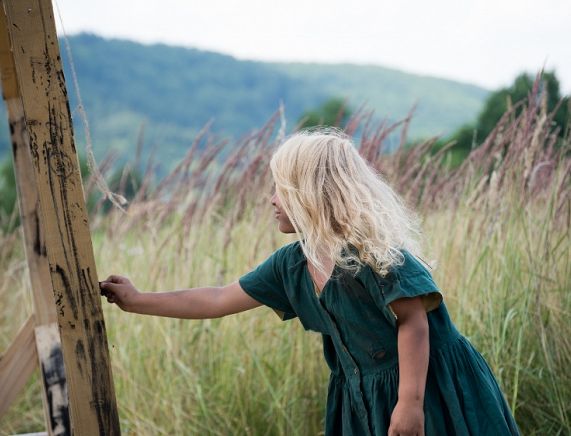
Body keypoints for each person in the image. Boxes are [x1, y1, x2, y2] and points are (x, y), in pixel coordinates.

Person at [100, 130, 521, 436]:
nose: (271, 199)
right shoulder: (291, 266)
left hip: (428, 387)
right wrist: (137, 300)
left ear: (310, 193)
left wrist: (409, 404)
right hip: (362, 400)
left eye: (280, 189)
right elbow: (216, 298)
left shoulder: (375, 251)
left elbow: (414, 321)